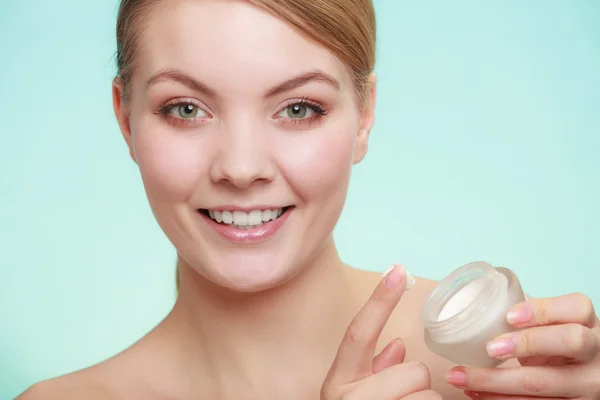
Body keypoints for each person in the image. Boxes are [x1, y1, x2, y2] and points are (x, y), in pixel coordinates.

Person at [18, 0, 600, 399]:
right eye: (185, 109)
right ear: (125, 120)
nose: (241, 168)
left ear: (364, 115)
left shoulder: (498, 366)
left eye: (299, 109)